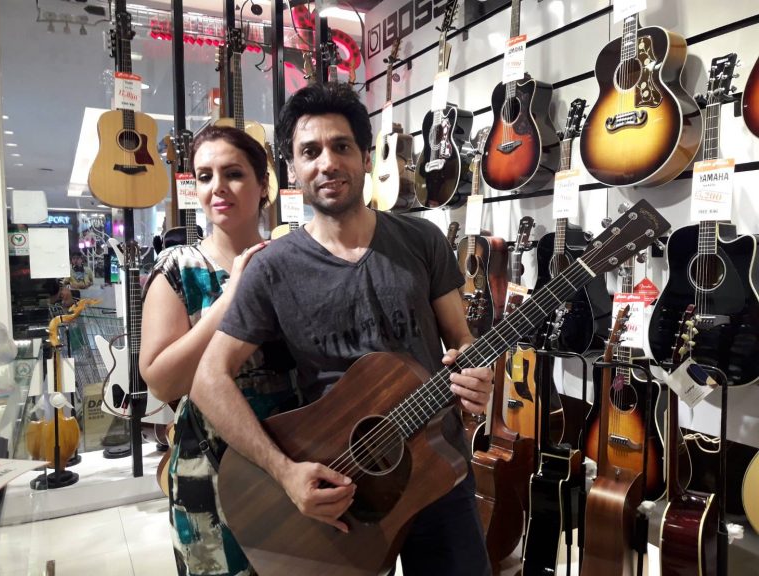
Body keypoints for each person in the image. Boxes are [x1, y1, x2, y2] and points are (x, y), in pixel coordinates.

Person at [189, 83, 494, 575]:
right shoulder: (273, 268)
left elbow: (462, 341)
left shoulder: (423, 240)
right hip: (339, 483)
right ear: (292, 169)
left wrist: (475, 375)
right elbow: (208, 380)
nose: (327, 163)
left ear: (366, 157)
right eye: (310, 151)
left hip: (438, 468)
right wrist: (285, 473)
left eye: (341, 146)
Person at [139, 125, 298, 576]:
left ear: (263, 185)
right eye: (205, 176)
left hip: (295, 456)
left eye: (233, 173)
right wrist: (230, 298)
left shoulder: (292, 261)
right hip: (209, 472)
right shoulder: (178, 268)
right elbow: (162, 381)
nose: (217, 187)